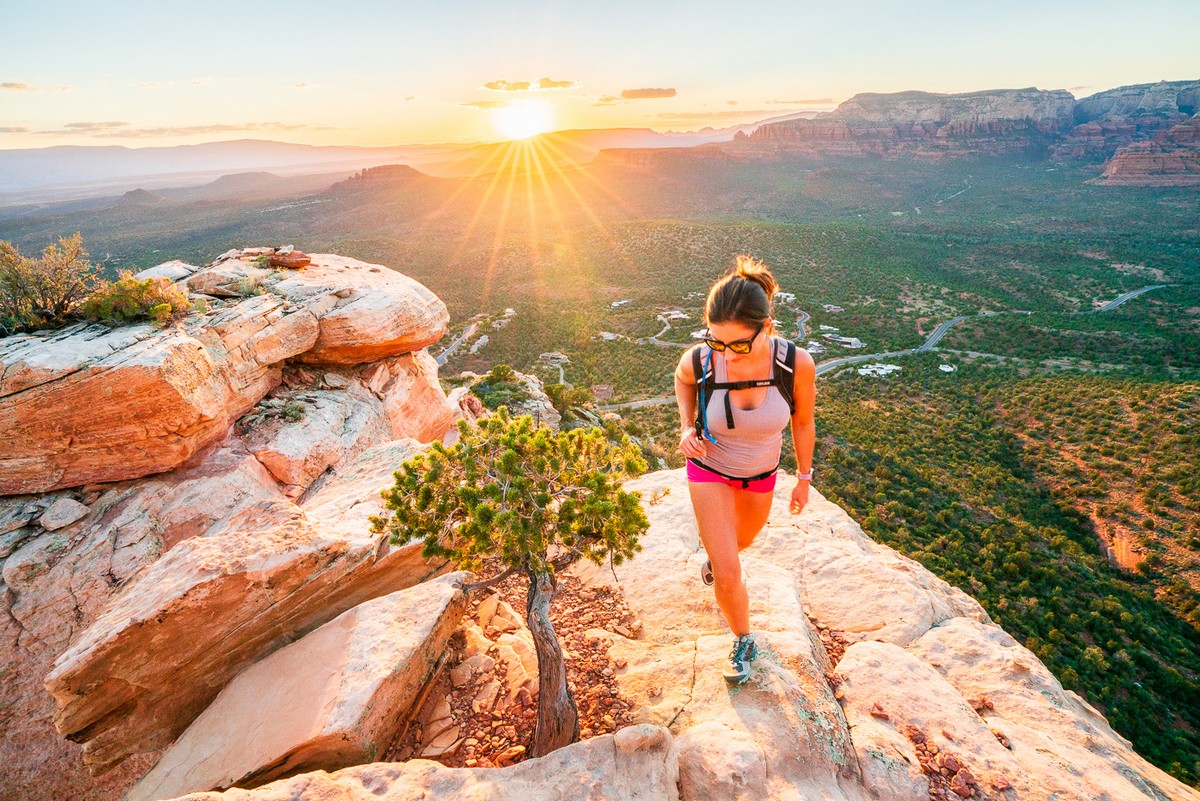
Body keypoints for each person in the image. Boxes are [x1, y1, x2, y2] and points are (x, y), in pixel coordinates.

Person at [674, 255, 816, 684]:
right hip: (708, 467)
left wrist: (804, 479)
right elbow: (682, 380)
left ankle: (720, 560)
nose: (727, 355)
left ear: (767, 328)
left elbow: (803, 420)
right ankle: (742, 639)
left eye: (739, 345)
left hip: (761, 475)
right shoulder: (701, 361)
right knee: (729, 567)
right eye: (717, 342)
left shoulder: (794, 365)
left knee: (743, 542)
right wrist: (685, 426)